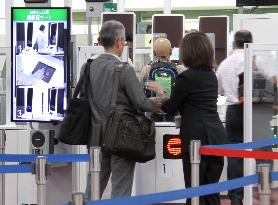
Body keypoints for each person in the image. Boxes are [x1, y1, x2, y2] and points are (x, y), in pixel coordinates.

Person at [82, 20, 159, 199]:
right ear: (120, 42)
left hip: (95, 135)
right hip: (121, 135)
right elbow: (141, 103)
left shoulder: (88, 67)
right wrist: (159, 99)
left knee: (94, 184)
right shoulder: (123, 69)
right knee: (121, 187)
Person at [148, 31, 227, 205]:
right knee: (212, 192)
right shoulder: (211, 76)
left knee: (195, 191)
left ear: (188, 52)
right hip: (215, 136)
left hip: (195, 140)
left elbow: (170, 107)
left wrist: (160, 90)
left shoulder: (187, 77)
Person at [216, 30, 253, 205]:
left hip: (233, 112)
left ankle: (236, 198)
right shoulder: (256, 60)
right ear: (251, 43)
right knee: (261, 152)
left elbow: (219, 92)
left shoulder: (225, 64)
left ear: (233, 44)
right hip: (256, 111)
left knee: (234, 155)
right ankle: (263, 191)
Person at [139, 37, 185, 121]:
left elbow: (139, 94)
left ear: (154, 53)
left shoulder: (147, 69)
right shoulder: (179, 69)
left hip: (152, 116)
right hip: (174, 116)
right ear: (171, 52)